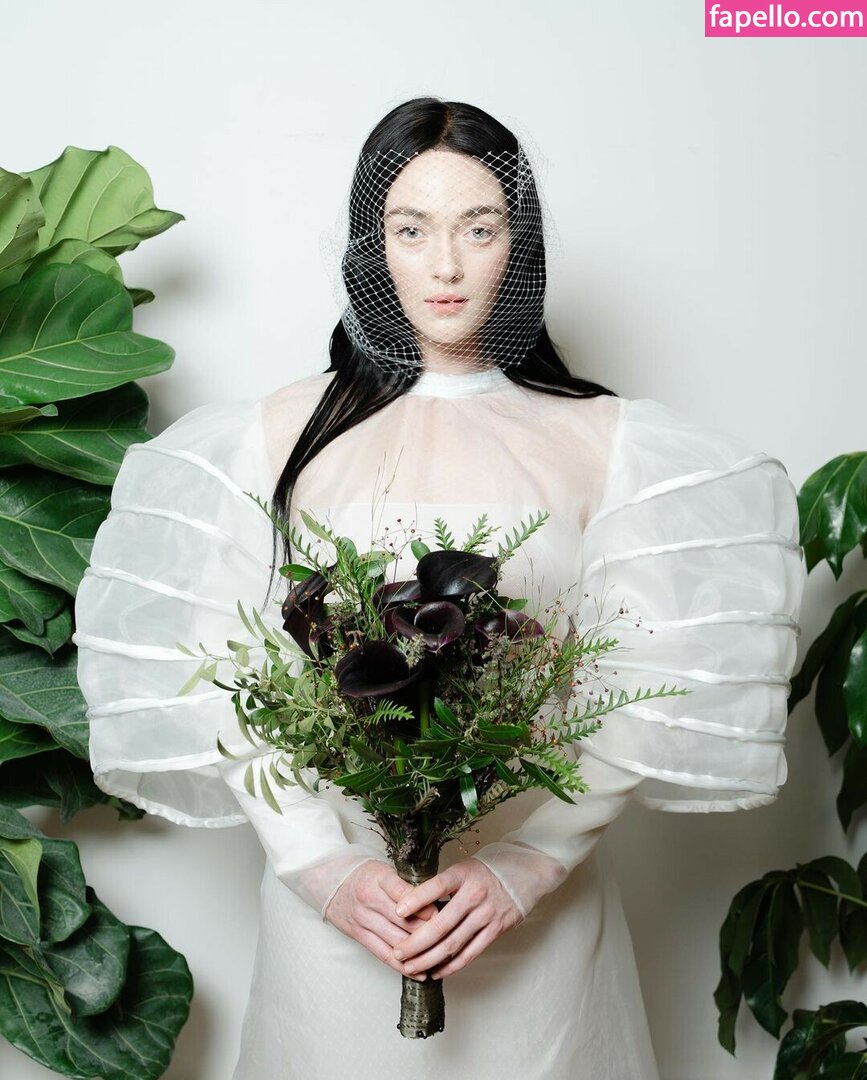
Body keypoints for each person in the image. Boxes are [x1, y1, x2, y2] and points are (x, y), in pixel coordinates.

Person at [72, 97, 807, 1078]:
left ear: (520, 244)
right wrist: (318, 865)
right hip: (340, 923)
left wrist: (533, 861)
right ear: (372, 246)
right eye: (412, 231)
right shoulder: (271, 438)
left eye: (479, 228)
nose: (447, 265)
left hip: (538, 922)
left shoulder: (608, 443)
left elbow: (642, 677)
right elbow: (221, 665)